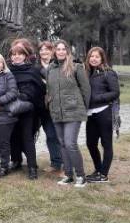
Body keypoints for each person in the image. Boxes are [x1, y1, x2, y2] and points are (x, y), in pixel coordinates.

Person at [46, 40, 91, 188]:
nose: (60, 51)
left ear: (67, 51)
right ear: (54, 52)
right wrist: (49, 102)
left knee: (70, 143)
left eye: (63, 49)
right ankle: (68, 175)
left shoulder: (76, 67)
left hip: (73, 110)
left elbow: (86, 90)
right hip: (56, 111)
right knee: (62, 144)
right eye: (58, 49)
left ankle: (81, 176)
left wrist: (83, 108)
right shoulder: (50, 69)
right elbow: (49, 90)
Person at [8, 41, 46, 180]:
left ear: (25, 56)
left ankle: (32, 167)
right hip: (11, 108)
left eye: (20, 54)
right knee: (13, 135)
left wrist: (25, 95)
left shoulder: (33, 70)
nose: (16, 57)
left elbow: (39, 89)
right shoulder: (7, 70)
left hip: (28, 110)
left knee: (27, 137)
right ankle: (16, 160)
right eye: (14, 54)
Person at [85, 46, 120, 183]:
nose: (93, 59)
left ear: (102, 58)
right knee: (90, 143)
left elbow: (115, 93)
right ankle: (98, 169)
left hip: (104, 112)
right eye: (91, 56)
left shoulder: (109, 73)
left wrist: (96, 98)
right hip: (91, 114)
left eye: (96, 57)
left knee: (106, 144)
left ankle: (104, 175)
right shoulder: (88, 73)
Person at [37, 41, 63, 173]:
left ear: (52, 51)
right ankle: (56, 162)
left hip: (58, 105)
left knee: (58, 135)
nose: (44, 52)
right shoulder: (36, 67)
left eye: (46, 49)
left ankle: (60, 162)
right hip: (42, 107)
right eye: (41, 50)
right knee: (50, 134)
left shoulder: (58, 65)